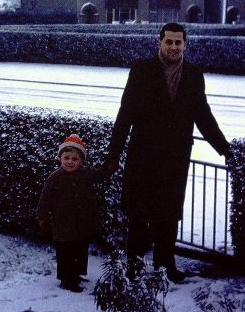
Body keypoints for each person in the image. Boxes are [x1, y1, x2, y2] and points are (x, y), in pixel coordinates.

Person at [105, 22, 230, 283]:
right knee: (139, 215)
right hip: (143, 156)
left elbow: (203, 116)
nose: (174, 47)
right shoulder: (141, 70)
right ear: (159, 43)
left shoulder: (194, 74)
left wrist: (224, 149)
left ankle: (165, 267)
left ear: (185, 44)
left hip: (175, 159)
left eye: (178, 42)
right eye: (169, 42)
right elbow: (125, 114)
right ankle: (134, 265)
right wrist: (113, 154)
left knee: (169, 215)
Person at [37, 134, 110, 293]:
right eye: (66, 158)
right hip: (62, 224)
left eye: (74, 159)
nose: (70, 162)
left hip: (82, 223)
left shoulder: (87, 174)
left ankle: (76, 274)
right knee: (66, 252)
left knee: (80, 249)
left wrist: (110, 165)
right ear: (60, 158)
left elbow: (101, 176)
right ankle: (66, 279)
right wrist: (42, 217)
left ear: (81, 161)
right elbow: (45, 198)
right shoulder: (54, 178)